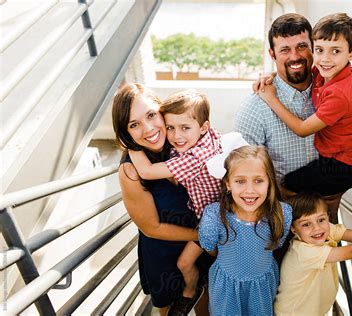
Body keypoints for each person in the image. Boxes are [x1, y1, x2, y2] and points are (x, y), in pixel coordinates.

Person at [129, 89, 245, 316]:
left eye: (184, 128)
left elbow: (147, 171)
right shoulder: (209, 137)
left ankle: (191, 292)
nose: (176, 136)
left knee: (188, 263)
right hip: (216, 216)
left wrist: (130, 145)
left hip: (212, 223)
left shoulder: (193, 158)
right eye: (170, 127)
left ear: (203, 127)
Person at [257, 13, 352, 221]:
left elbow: (303, 129)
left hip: (346, 164)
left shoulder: (340, 94)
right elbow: (296, 69)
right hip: (347, 153)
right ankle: (325, 229)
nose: (325, 59)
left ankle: (310, 235)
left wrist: (270, 98)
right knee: (324, 198)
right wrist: (272, 75)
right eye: (319, 50)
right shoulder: (327, 71)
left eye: (335, 51)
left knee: (288, 186)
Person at [111, 83, 213, 316]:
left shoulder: (182, 137)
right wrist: (204, 235)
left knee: (208, 304)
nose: (148, 129)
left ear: (162, 111)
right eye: (134, 124)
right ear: (126, 132)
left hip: (201, 247)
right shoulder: (132, 170)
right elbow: (152, 228)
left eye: (151, 115)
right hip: (165, 254)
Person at [198, 145, 293, 315]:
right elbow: (210, 248)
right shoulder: (215, 216)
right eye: (240, 181)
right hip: (226, 287)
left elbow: (276, 244)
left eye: (258, 180)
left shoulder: (281, 214)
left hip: (262, 286)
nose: (250, 190)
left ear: (269, 182)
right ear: (228, 184)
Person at [235, 13, 317, 183]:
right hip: (279, 203)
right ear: (272, 54)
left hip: (327, 202)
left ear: (313, 47)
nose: (295, 56)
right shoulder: (254, 108)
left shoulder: (332, 93)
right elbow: (243, 173)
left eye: (302, 46)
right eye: (285, 50)